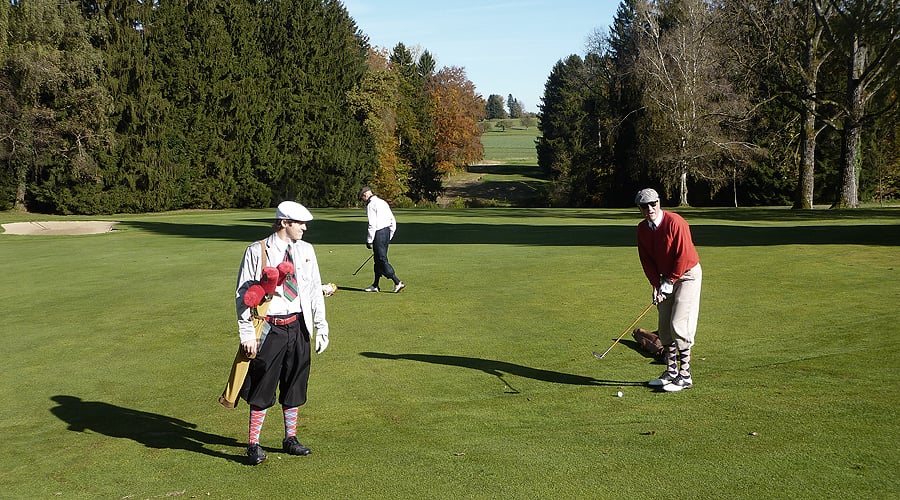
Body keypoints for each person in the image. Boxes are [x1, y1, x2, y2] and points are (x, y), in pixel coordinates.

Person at [234, 201, 330, 465]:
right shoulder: (258, 251)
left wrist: (321, 325)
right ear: (284, 223)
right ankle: (253, 444)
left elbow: (312, 291)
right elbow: (244, 295)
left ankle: (290, 438)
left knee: (295, 382)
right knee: (262, 386)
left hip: (298, 325)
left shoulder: (307, 250)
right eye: (299, 223)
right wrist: (246, 334)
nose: (304, 228)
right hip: (269, 327)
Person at [635, 188, 702, 393]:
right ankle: (671, 372)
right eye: (645, 206)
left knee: (678, 324)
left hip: (687, 275)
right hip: (665, 279)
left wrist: (669, 281)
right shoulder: (642, 229)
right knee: (664, 327)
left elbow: (683, 255)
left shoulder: (675, 222)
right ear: (640, 208)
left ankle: (685, 375)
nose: (650, 208)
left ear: (659, 202)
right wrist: (656, 285)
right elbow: (646, 260)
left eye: (653, 204)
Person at [359, 186, 405, 293]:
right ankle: (375, 285)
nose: (363, 200)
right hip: (387, 232)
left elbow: (372, 224)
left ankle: (397, 282)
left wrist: (369, 240)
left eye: (362, 198)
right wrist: (389, 235)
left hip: (378, 233)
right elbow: (392, 220)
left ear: (365, 195)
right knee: (377, 260)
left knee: (381, 259)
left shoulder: (371, 205)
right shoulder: (383, 202)